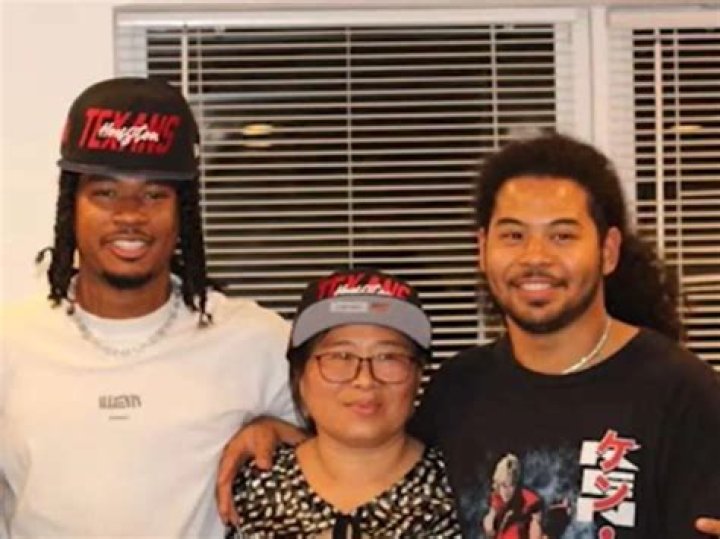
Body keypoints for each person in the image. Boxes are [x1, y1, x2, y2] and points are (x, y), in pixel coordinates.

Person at [215, 133, 720, 538]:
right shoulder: (459, 389)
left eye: (562, 235)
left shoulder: (678, 391)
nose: (536, 257)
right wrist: (278, 429)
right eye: (513, 235)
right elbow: (370, 448)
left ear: (607, 251)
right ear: (482, 249)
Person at [0, 77, 298, 538]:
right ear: (70, 206)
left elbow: (362, 452)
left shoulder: (256, 340)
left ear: (183, 213)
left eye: (155, 194)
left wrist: (280, 432)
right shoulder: (11, 342)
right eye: (105, 192)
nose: (130, 214)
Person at [226, 268, 460, 537]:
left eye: (388, 357)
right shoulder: (252, 485)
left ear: (418, 375)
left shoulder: (460, 488)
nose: (365, 380)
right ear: (300, 375)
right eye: (340, 356)